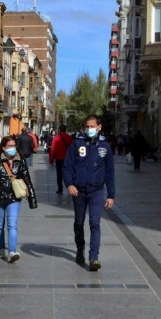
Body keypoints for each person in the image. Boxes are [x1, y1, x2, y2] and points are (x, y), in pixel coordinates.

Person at [63, 115, 115, 272]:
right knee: (79, 222)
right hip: (78, 191)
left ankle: (94, 257)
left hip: (96, 191)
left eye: (92, 126)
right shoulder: (77, 144)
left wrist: (111, 195)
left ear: (99, 127)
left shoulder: (105, 147)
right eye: (87, 126)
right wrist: (69, 184)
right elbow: (66, 167)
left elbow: (110, 172)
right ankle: (80, 248)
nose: (89, 129)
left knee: (95, 223)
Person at [0, 136, 37, 263]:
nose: (13, 148)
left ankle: (12, 251)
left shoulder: (20, 160)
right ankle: (1, 248)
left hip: (14, 197)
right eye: (10, 146)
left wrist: (32, 199)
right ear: (3, 147)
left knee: (12, 225)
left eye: (14, 146)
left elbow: (27, 178)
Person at [48, 124, 74, 194]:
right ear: (65, 130)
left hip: (59, 159)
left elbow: (53, 149)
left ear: (59, 130)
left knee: (59, 175)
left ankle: (60, 189)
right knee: (69, 173)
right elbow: (73, 149)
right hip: (68, 159)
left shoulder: (56, 138)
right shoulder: (69, 138)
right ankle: (69, 188)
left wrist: (51, 159)